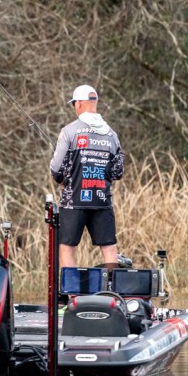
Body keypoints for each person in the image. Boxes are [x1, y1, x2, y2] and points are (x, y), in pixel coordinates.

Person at [49, 84, 124, 269]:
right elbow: (118, 171)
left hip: (73, 201)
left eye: (74, 103)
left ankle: (72, 294)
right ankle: (112, 293)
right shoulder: (111, 135)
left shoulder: (69, 131)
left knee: (67, 247)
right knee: (109, 248)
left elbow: (56, 167)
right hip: (102, 201)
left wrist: (61, 179)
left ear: (80, 104)